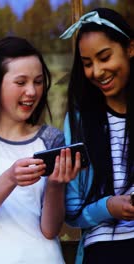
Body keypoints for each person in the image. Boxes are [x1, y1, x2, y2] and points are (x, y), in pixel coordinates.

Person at [0, 36, 81, 264]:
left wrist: (55, 184)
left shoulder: (52, 139)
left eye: (38, 82)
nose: (32, 91)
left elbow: (50, 230)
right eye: (21, 82)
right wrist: (11, 177)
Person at [60, 7, 134, 264]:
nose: (97, 71)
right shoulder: (79, 122)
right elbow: (71, 211)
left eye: (104, 57)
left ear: (130, 49)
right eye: (88, 63)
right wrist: (108, 207)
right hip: (103, 250)